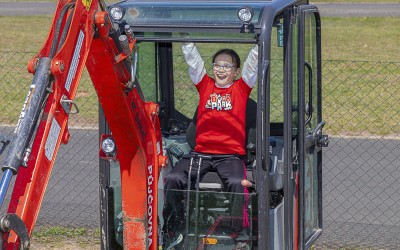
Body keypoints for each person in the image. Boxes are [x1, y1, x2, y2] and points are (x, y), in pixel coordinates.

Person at [162, 42, 258, 249]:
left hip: (230, 156)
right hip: (200, 155)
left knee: (236, 183)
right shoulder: (205, 86)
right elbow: (194, 64)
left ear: (236, 72)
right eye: (217, 65)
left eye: (227, 66)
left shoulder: (241, 89)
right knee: (172, 178)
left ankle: (237, 231)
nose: (221, 70)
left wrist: (258, 47)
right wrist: (186, 42)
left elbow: (253, 66)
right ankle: (173, 225)